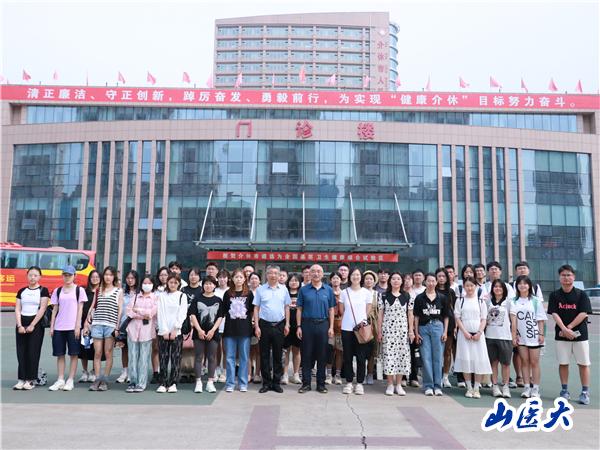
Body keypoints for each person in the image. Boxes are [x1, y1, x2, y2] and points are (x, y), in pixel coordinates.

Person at [547, 264, 592, 405]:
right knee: (563, 363)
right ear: (559, 277)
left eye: (569, 275)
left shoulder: (581, 294)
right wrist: (564, 330)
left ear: (574, 277)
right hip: (561, 335)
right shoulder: (554, 295)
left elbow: (583, 313)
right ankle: (564, 391)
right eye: (563, 275)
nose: (566, 278)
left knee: (583, 364)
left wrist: (569, 328)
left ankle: (585, 392)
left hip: (580, 335)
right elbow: (554, 313)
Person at [296, 264, 336, 394]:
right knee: (306, 354)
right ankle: (306, 384)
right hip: (307, 325)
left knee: (322, 355)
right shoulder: (304, 290)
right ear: (309, 274)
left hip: (323, 325)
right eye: (313, 271)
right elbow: (299, 309)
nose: (316, 273)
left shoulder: (328, 290)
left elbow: (331, 310)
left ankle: (321, 384)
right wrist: (299, 326)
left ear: (322, 274)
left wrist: (331, 327)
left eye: (319, 271)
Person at [253, 265, 291, 393]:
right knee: (264, 355)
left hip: (279, 325)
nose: (273, 275)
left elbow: (286, 307)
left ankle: (276, 382)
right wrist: (257, 326)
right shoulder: (260, 289)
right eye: (270, 273)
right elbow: (256, 308)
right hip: (264, 325)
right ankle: (266, 383)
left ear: (279, 275)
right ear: (266, 274)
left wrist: (287, 324)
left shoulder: (284, 290)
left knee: (278, 355)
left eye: (275, 273)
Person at [48, 265, 87, 391]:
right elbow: (54, 309)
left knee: (73, 354)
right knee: (60, 354)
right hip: (59, 327)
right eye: (65, 275)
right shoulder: (57, 291)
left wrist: (78, 326)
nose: (67, 277)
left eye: (70, 275)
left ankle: (70, 380)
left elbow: (80, 309)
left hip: (73, 327)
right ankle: (60, 379)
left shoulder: (79, 290)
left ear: (74, 276)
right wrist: (52, 326)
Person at [85, 266, 123, 392]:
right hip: (97, 324)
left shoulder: (118, 291)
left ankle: (104, 380)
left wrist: (117, 327)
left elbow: (120, 310)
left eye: (110, 275)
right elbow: (92, 307)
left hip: (110, 325)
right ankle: (97, 379)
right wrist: (87, 322)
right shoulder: (98, 290)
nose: (108, 277)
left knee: (108, 353)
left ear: (114, 277)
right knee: (97, 353)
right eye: (106, 274)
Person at [454, 277, 492, 399]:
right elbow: (457, 318)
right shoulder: (460, 300)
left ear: (475, 286)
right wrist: (464, 332)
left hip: (478, 336)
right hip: (464, 335)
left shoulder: (480, 301)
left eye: (472, 285)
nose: (469, 288)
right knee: (466, 360)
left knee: (478, 360)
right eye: (467, 285)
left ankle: (476, 388)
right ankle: (469, 388)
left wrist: (479, 332)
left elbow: (484, 319)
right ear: (464, 287)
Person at [510, 275, 547, 398]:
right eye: (520, 283)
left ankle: (535, 389)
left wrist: (541, 334)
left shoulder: (535, 300)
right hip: (521, 337)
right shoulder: (513, 301)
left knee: (534, 362)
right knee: (524, 362)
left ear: (529, 286)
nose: (522, 286)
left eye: (525, 283)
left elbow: (541, 319)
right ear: (517, 286)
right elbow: (513, 321)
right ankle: (526, 388)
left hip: (534, 336)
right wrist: (514, 336)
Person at [413, 273, 450, 396]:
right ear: (425, 282)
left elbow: (446, 316)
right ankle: (428, 385)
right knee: (426, 357)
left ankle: (438, 386)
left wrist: (445, 331)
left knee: (438, 357)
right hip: (423, 328)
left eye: (433, 281)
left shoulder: (442, 297)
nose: (431, 283)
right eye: (428, 281)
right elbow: (416, 316)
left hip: (438, 327)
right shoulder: (420, 298)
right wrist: (416, 332)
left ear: (436, 282)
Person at [377, 272, 413, 396]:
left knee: (402, 357)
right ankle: (390, 384)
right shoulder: (383, 296)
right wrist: (379, 331)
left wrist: (411, 331)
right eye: (393, 278)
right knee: (389, 357)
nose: (396, 281)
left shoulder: (407, 296)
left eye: (398, 279)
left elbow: (410, 314)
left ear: (402, 281)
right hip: (388, 331)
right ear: (390, 281)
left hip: (402, 331)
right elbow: (380, 314)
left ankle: (398, 384)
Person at [14, 266, 49, 390]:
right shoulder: (21, 291)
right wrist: (19, 325)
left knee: (33, 352)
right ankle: (21, 379)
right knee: (21, 352)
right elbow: (17, 309)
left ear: (40, 277)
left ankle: (30, 380)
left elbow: (42, 308)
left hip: (36, 324)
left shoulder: (43, 291)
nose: (32, 278)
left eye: (35, 275)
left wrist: (32, 325)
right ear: (27, 276)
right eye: (30, 275)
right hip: (21, 323)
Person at [338, 268, 372, 395]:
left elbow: (368, 310)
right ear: (349, 277)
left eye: (358, 275)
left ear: (361, 277)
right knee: (347, 356)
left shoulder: (366, 293)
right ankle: (348, 382)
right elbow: (341, 310)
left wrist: (361, 322)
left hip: (361, 328)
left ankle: (359, 383)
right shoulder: (344, 292)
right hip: (346, 328)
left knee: (361, 357)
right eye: (353, 275)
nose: (355, 277)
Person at [220, 268, 254, 392]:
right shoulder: (228, 294)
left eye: (241, 277)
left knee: (244, 357)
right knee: (230, 357)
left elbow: (252, 311)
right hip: (230, 330)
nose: (238, 279)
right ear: (232, 279)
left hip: (245, 330)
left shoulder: (249, 294)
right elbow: (224, 311)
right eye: (236, 277)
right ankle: (230, 383)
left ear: (245, 279)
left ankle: (243, 383)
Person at [189, 275, 224, 394]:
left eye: (211, 284)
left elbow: (220, 317)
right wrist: (199, 330)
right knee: (199, 357)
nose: (208, 286)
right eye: (206, 283)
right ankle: (198, 382)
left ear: (214, 285)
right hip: (199, 332)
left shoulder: (218, 300)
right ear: (203, 285)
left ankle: (210, 382)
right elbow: (192, 315)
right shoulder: (197, 299)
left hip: (213, 333)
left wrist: (213, 330)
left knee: (212, 357)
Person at [156, 273, 189, 393]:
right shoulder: (162, 296)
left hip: (177, 332)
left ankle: (173, 382)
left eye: (175, 282)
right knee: (163, 357)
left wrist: (176, 329)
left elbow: (182, 313)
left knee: (176, 357)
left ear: (179, 284)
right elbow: (160, 313)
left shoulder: (182, 296)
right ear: (167, 283)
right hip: (163, 332)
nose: (173, 284)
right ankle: (163, 382)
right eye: (171, 282)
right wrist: (164, 330)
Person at [125, 274, 158, 392]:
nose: (147, 285)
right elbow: (129, 311)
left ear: (153, 284)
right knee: (132, 357)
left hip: (147, 331)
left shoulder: (155, 298)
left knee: (144, 358)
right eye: (145, 283)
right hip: (132, 330)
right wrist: (143, 314)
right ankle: (133, 381)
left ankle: (142, 383)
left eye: (149, 283)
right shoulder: (135, 297)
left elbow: (151, 313)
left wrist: (138, 310)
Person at [484, 279, 513, 398]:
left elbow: (513, 320)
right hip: (490, 336)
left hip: (505, 337)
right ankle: (495, 386)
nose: (497, 289)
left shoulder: (508, 302)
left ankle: (505, 386)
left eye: (500, 287)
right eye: (495, 286)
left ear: (504, 289)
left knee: (505, 363)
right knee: (493, 362)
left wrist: (514, 335)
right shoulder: (487, 302)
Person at [116, 270, 139, 384]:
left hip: (136, 325)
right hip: (123, 325)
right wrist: (118, 325)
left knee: (134, 349)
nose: (130, 280)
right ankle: (124, 371)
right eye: (128, 278)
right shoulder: (122, 292)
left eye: (132, 278)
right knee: (124, 349)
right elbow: (119, 310)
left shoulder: (139, 293)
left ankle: (132, 372)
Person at [436, 267, 457, 388]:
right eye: (439, 276)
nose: (441, 278)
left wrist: (455, 327)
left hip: (449, 324)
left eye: (443, 276)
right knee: (437, 352)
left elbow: (454, 310)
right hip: (435, 323)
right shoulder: (432, 290)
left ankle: (445, 377)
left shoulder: (451, 292)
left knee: (447, 351)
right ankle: (437, 376)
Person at [79, 270, 101, 383]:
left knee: (95, 349)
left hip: (97, 324)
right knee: (84, 347)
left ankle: (93, 371)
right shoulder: (84, 291)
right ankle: (85, 371)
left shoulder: (101, 292)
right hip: (85, 323)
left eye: (97, 277)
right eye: (93, 277)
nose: (95, 279)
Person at [151, 266, 170, 384]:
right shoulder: (154, 290)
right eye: (161, 275)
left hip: (169, 324)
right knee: (156, 348)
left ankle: (165, 372)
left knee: (167, 350)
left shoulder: (172, 289)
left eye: (165, 275)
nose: (163, 277)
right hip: (156, 323)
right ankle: (156, 372)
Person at [282, 273, 302, 385]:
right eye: (291, 280)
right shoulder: (284, 293)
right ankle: (285, 374)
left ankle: (295, 374)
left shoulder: (302, 293)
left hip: (298, 326)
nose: (293, 282)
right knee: (286, 351)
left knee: (296, 350)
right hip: (286, 326)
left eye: (296, 280)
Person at [363, 270, 380, 385]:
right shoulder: (360, 292)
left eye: (371, 279)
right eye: (367, 279)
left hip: (373, 324)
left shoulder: (377, 294)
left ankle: (370, 374)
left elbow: (380, 311)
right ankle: (361, 374)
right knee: (361, 351)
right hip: (361, 324)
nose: (369, 281)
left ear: (374, 281)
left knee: (371, 351)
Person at [403, 273, 419, 388]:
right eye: (405, 279)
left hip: (413, 328)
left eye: (409, 279)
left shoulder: (417, 295)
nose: (407, 281)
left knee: (413, 353)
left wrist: (414, 329)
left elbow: (417, 314)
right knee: (402, 353)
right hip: (400, 327)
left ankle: (413, 377)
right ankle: (403, 377)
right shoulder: (399, 294)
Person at [214, 269, 230, 383]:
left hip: (227, 323)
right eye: (220, 277)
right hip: (215, 323)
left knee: (225, 348)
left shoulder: (230, 291)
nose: (222, 279)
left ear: (228, 279)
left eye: (224, 277)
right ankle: (216, 369)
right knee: (216, 348)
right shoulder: (214, 290)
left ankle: (225, 371)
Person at [330, 271, 344, 385]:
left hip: (341, 324)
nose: (335, 280)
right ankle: (328, 374)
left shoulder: (344, 293)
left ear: (341, 280)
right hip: (329, 324)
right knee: (329, 349)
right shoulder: (327, 292)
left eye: (337, 278)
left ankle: (338, 374)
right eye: (333, 278)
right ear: (330, 280)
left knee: (339, 350)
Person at [247, 271, 262, 384]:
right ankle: (249, 374)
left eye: (256, 278)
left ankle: (257, 374)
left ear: (260, 280)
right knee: (248, 350)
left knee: (258, 350)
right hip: (247, 324)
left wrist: (256, 321)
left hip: (261, 323)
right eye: (252, 278)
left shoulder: (263, 291)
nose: (254, 280)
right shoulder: (246, 292)